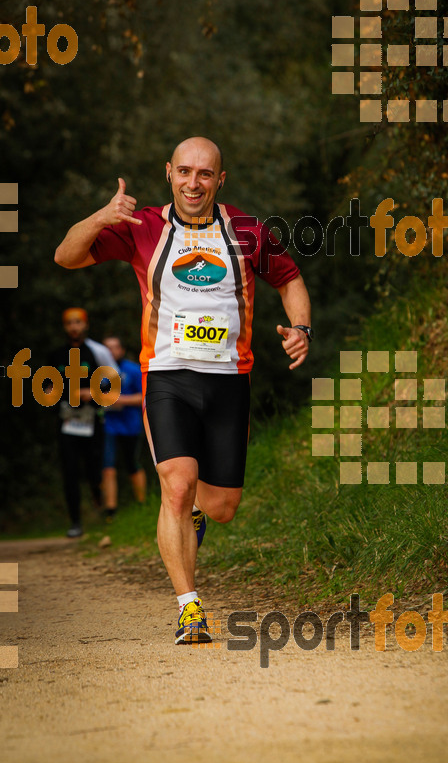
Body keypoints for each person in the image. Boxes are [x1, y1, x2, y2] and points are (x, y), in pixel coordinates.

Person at [54, 136, 312, 644]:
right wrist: (102, 217)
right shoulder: (143, 227)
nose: (194, 182)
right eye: (185, 172)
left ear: (221, 180)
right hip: (167, 376)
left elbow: (290, 279)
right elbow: (66, 255)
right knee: (175, 485)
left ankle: (196, 510)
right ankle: (189, 607)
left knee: (221, 507)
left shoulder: (247, 231)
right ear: (169, 172)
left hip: (229, 381)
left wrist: (300, 328)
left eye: (205, 174)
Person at [47, 308, 119, 538]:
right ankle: (76, 521)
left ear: (85, 324)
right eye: (69, 323)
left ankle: (100, 500)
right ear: (64, 326)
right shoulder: (56, 355)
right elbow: (46, 386)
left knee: (94, 469)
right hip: (67, 420)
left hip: (92, 419)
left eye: (78, 322)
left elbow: (113, 382)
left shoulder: (97, 352)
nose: (74, 327)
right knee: (69, 471)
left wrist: (94, 391)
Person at [101, 336, 147, 520]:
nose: (111, 351)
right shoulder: (99, 371)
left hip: (131, 425)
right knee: (108, 466)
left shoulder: (133, 370)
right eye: (107, 348)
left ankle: (142, 504)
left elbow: (145, 396)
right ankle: (110, 511)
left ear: (122, 350)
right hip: (108, 426)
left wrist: (121, 400)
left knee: (132, 464)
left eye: (114, 347)